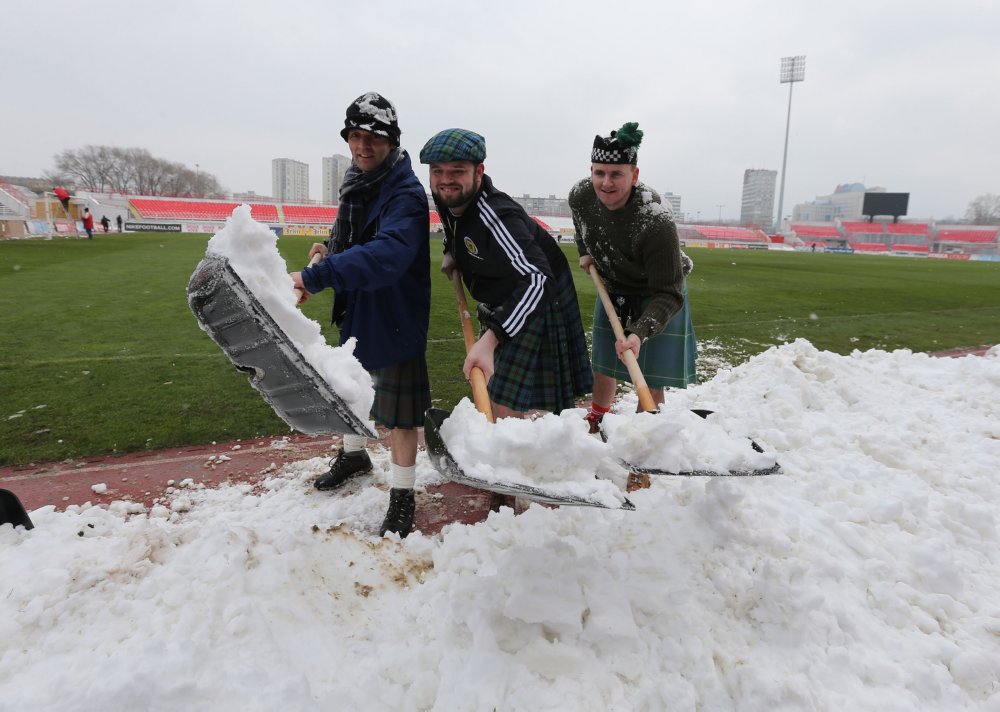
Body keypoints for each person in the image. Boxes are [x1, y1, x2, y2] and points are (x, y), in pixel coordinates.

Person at [290, 92, 430, 538]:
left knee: (402, 412)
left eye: (372, 138)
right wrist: (328, 249)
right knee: (350, 383)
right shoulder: (358, 179)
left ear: (391, 142)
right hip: (358, 303)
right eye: (354, 136)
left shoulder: (406, 193)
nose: (362, 146)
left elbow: (387, 251)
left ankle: (404, 494)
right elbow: (353, 232)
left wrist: (318, 277)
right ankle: (353, 456)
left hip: (395, 311)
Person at [420, 128, 593, 418]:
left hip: (538, 297)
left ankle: (532, 452)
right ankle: (511, 448)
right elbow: (455, 225)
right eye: (437, 171)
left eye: (457, 171)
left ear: (479, 172)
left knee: (504, 401)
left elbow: (538, 280)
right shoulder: (448, 197)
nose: (446, 180)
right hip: (505, 295)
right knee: (492, 387)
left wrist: (490, 339)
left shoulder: (497, 216)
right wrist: (452, 250)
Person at [568, 122, 696, 436]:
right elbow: (581, 222)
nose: (606, 183)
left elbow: (669, 293)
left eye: (616, 174)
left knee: (649, 378)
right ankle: (597, 419)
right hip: (613, 284)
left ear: (634, 176)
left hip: (658, 292)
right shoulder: (581, 195)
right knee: (603, 365)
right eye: (599, 173)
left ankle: (645, 435)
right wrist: (585, 251)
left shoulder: (656, 219)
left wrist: (639, 332)